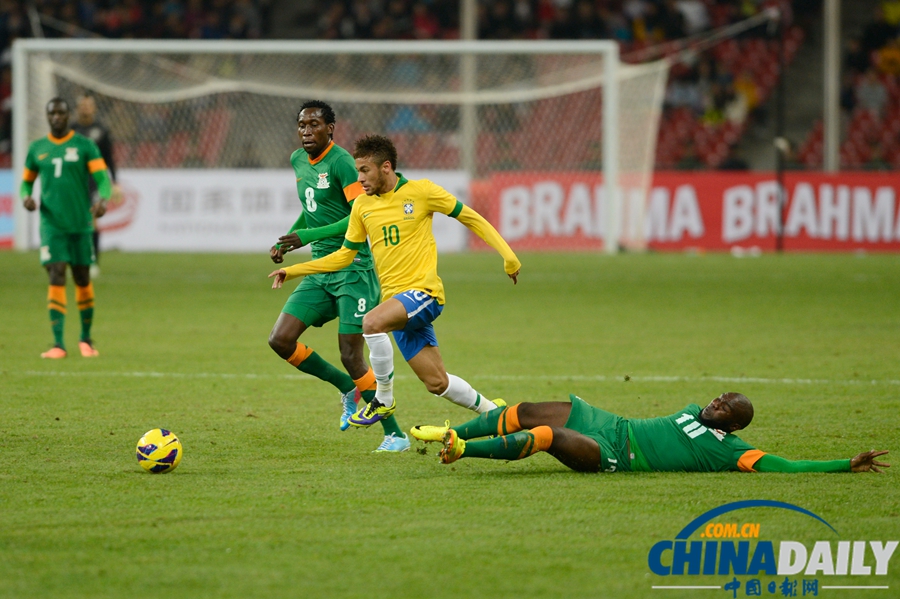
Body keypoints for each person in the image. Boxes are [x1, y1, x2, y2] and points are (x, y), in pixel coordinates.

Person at [269, 134, 521, 430]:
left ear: (385, 167)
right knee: (437, 382)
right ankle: (496, 413)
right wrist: (294, 270)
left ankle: (383, 400)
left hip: (424, 294)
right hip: (398, 306)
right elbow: (343, 257)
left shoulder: (422, 191)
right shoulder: (362, 206)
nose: (358, 178)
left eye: (364, 170)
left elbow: (470, 217)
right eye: (357, 170)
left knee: (371, 323)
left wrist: (508, 256)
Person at [268, 101, 409, 453]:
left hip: (353, 270)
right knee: (280, 339)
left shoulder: (344, 163)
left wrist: (309, 236)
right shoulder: (298, 160)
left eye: (314, 124)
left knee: (351, 353)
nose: (306, 131)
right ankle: (347, 387)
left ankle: (395, 433)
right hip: (321, 270)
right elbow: (311, 208)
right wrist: (288, 239)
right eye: (301, 124)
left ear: (330, 128)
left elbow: (357, 216)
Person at [410, 392, 890, 474]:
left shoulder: (730, 451)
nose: (714, 405)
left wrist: (842, 463)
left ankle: (462, 449)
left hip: (614, 455)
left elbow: (784, 466)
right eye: (719, 398)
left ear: (733, 426)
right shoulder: (691, 412)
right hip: (611, 423)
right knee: (527, 409)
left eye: (725, 410)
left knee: (547, 436)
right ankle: (453, 429)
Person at [21, 97, 112, 359]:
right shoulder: (37, 148)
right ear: (48, 116)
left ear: (67, 115)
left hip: (80, 224)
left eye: (61, 113)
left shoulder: (84, 145)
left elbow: (102, 179)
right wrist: (26, 197)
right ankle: (58, 344)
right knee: (56, 273)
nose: (57, 117)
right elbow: (26, 182)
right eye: (53, 113)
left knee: (82, 278)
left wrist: (102, 199)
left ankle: (85, 339)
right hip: (52, 224)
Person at [72, 94, 119, 279]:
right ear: (77, 108)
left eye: (88, 105)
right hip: (73, 181)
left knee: (92, 220)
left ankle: (92, 262)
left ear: (94, 108)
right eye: (82, 105)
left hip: (93, 180)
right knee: (74, 222)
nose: (85, 108)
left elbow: (109, 158)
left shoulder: (101, 130)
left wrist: (114, 182)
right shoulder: (71, 130)